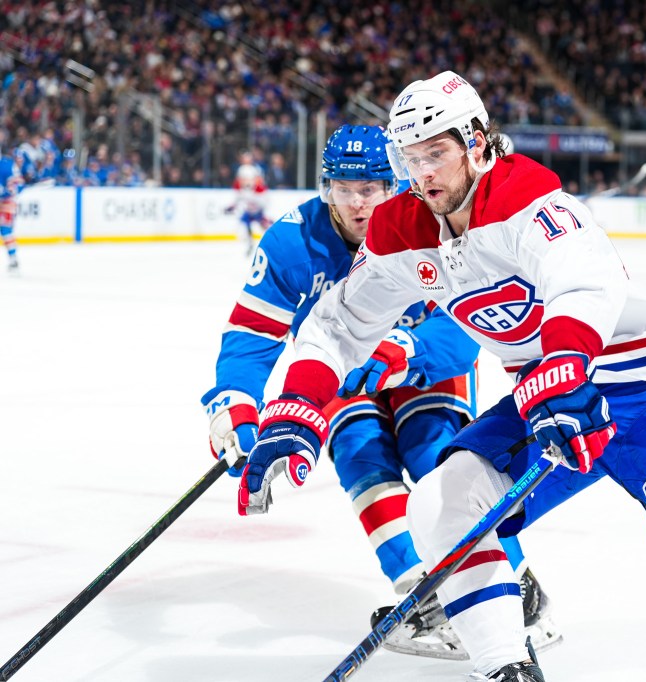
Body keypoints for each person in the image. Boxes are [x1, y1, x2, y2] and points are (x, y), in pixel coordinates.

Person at [238, 71, 646, 682]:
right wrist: (298, 406)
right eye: (410, 158)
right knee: (441, 503)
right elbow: (337, 325)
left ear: (476, 142)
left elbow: (585, 281)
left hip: (641, 381)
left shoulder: (524, 194)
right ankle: (507, 669)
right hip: (546, 397)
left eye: (435, 152)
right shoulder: (401, 228)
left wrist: (565, 362)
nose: (422, 173)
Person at [204, 124, 558, 659]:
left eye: (368, 187)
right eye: (342, 187)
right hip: (347, 375)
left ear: (393, 184)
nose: (355, 201)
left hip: (425, 369)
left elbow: (467, 333)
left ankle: (516, 584)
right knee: (359, 453)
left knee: (437, 456)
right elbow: (253, 333)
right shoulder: (292, 241)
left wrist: (406, 348)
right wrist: (234, 404)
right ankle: (421, 592)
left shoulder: (433, 224)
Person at [225, 151, 272, 255]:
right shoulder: (241, 172)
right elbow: (238, 189)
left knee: (261, 222)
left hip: (256, 202)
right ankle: (251, 243)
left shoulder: (255, 171)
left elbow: (261, 187)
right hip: (250, 202)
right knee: (247, 222)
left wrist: (258, 202)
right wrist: (233, 205)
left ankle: (271, 238)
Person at [0, 151, 24, 271]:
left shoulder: (7, 165)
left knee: (5, 229)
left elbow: (18, 185)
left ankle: (13, 257)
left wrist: (7, 192)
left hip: (6, 202)